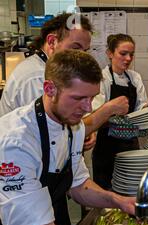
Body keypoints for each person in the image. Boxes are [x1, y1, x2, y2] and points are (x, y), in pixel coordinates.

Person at [0, 50, 148, 225]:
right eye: (79, 98)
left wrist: (116, 200)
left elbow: (78, 185)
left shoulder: (72, 126)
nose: (87, 108)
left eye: (92, 98)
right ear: (49, 88)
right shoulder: (17, 141)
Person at [0, 13, 130, 151]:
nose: (81, 57)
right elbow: (51, 134)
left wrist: (86, 131)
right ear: (52, 41)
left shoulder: (55, 70)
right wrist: (106, 111)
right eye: (75, 48)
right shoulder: (36, 77)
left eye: (85, 51)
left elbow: (67, 127)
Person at [92, 34, 148, 190]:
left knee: (130, 189)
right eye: (123, 54)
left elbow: (140, 108)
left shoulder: (135, 78)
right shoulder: (102, 79)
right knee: (106, 193)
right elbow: (95, 115)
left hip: (130, 144)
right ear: (110, 53)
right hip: (107, 148)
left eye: (131, 54)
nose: (128, 58)